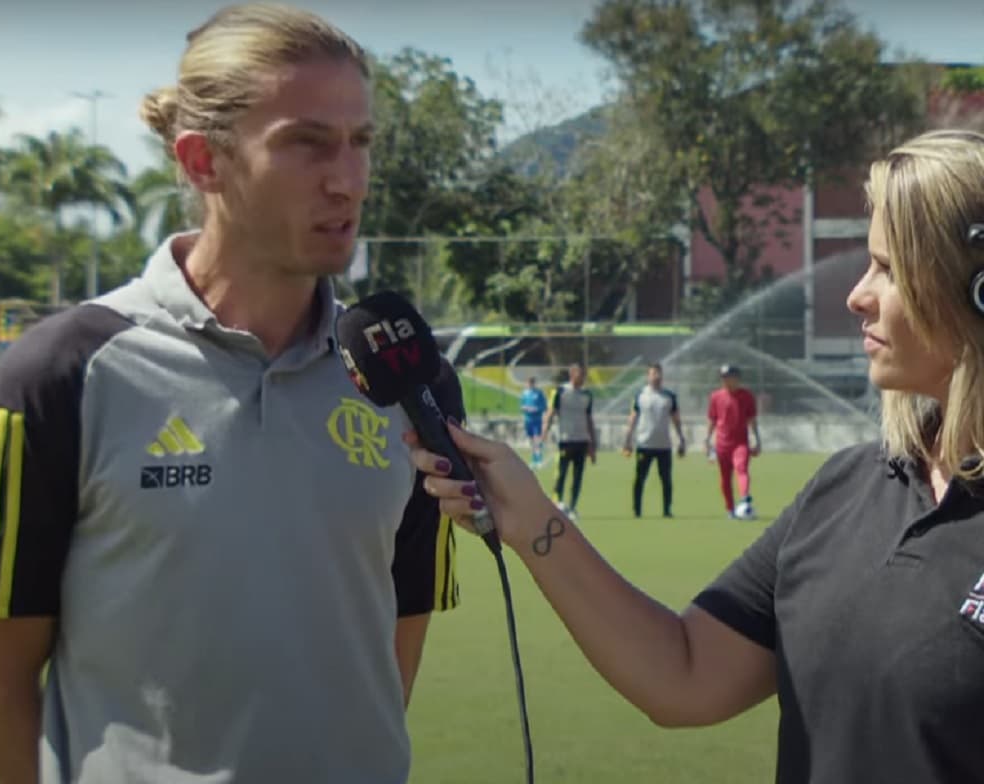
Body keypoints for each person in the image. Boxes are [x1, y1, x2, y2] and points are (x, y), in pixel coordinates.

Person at [0, 6, 464, 783]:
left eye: (360, 143)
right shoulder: (57, 377)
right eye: (306, 143)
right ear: (201, 162)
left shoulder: (410, 377)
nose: (347, 179)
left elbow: (396, 646)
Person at [406, 128, 984, 783]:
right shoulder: (844, 488)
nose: (858, 294)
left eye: (888, 268)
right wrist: (529, 517)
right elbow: (684, 673)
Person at [621, 362, 686, 518]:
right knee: (640, 478)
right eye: (653, 374)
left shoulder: (669, 396)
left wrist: (681, 439)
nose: (656, 377)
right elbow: (633, 418)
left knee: (666, 479)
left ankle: (667, 510)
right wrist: (628, 440)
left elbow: (676, 419)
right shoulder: (640, 395)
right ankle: (637, 510)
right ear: (647, 376)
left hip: (664, 445)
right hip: (644, 444)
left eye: (658, 373)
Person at [704, 364, 760, 519]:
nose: (727, 381)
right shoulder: (716, 396)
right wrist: (707, 439)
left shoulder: (747, 396)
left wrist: (757, 439)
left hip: (740, 442)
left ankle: (744, 497)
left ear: (737, 378)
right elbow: (712, 419)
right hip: (722, 443)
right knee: (725, 477)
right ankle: (730, 509)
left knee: (741, 468)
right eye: (724, 378)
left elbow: (752, 419)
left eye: (729, 377)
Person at [542, 362, 596, 519]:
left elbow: (589, 419)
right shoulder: (561, 392)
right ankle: (557, 503)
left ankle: (573, 506)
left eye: (584, 374)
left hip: (582, 440)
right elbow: (551, 412)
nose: (583, 377)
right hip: (566, 439)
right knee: (561, 473)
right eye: (580, 373)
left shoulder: (587, 395)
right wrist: (544, 432)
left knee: (578, 476)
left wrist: (592, 444)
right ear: (572, 374)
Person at [519, 375, 548, 467]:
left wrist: (536, 409)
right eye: (528, 382)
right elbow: (521, 405)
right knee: (531, 440)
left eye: (531, 382)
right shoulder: (524, 393)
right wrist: (525, 408)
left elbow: (544, 406)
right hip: (528, 420)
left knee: (536, 439)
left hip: (537, 420)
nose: (530, 384)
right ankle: (534, 459)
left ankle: (539, 459)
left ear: (534, 383)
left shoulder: (539, 393)